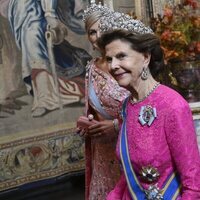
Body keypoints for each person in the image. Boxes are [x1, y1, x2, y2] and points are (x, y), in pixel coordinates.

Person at [97, 13, 200, 200]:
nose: (113, 66)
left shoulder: (172, 106)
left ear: (145, 57)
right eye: (109, 59)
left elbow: (194, 186)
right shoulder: (126, 106)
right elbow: (130, 175)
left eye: (121, 56)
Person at [77, 2, 130, 200]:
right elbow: (91, 109)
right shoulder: (91, 68)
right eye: (92, 32)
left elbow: (146, 109)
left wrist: (116, 125)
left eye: (103, 29)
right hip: (102, 151)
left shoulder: (126, 64)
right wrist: (86, 124)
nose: (98, 36)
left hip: (128, 146)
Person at [2, 0, 91, 117]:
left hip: (37, 8)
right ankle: (47, 96)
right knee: (33, 43)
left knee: (35, 39)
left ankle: (45, 99)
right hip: (19, 9)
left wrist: (50, 14)